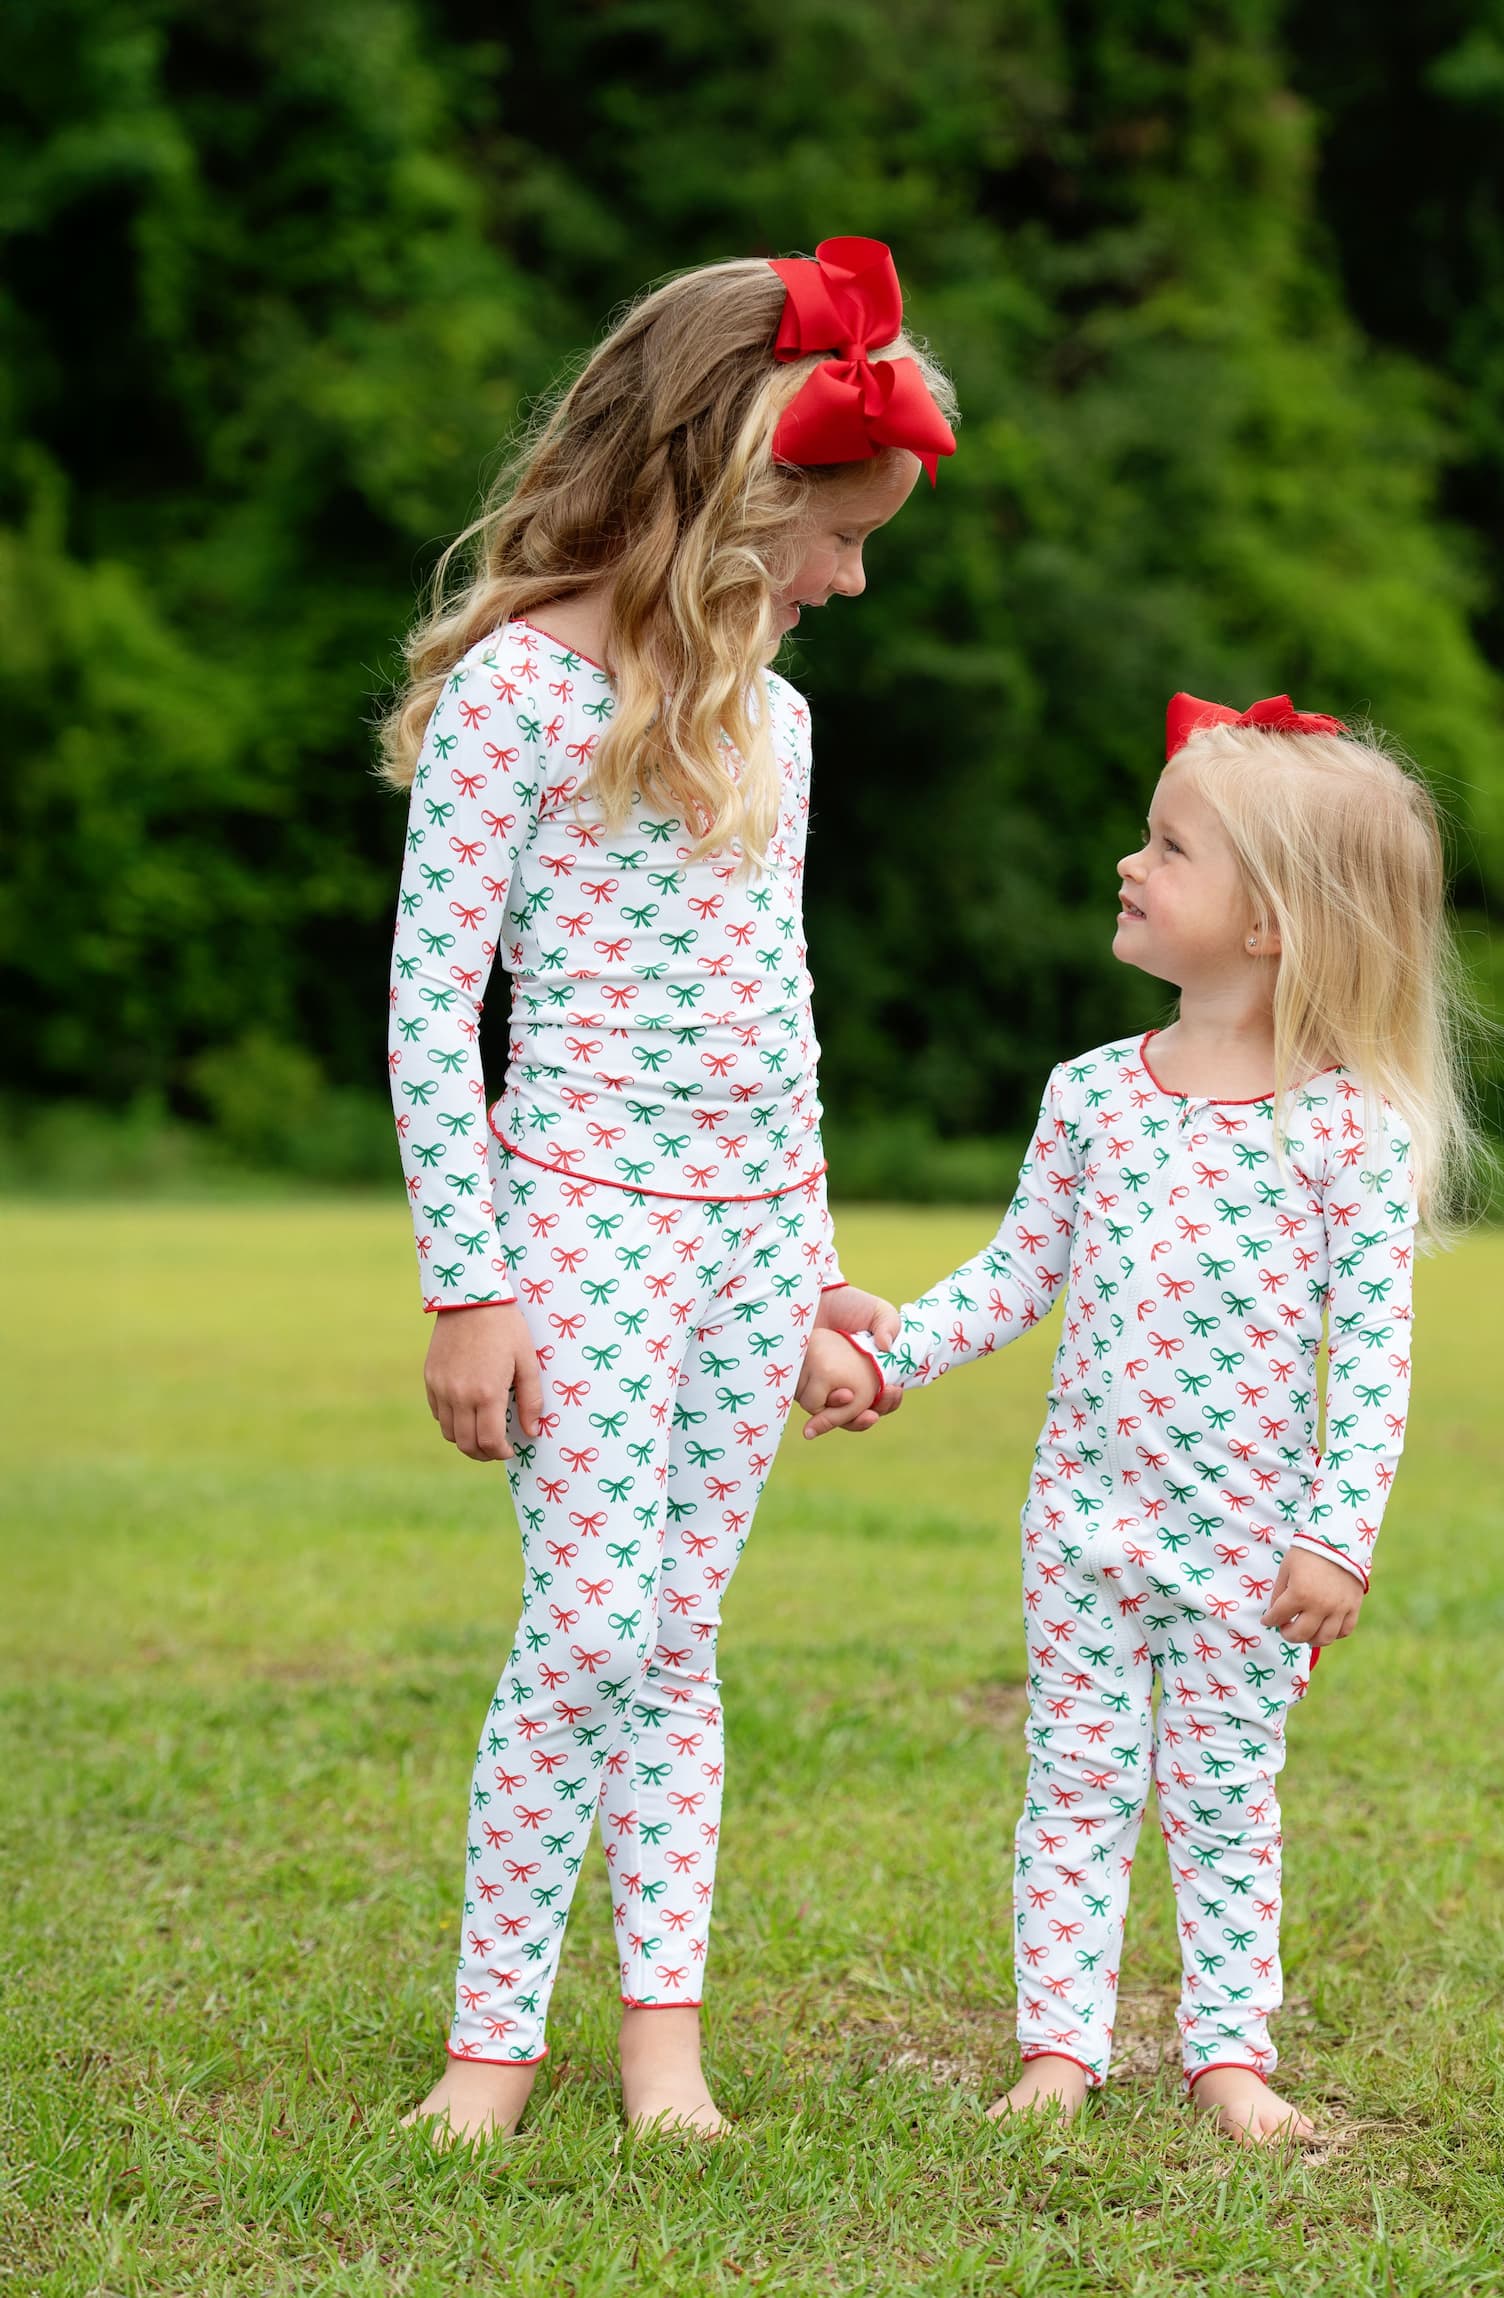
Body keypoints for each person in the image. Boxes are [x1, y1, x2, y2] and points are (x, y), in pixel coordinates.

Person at [380, 238, 951, 2142]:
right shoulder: (519, 698)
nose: (852, 577)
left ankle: (663, 2046)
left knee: (682, 1638)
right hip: (578, 1228)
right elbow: (427, 1010)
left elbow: (777, 1023)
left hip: (749, 1241)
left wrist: (813, 1273)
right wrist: (473, 1285)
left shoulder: (776, 724)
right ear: (737, 490)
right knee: (586, 1629)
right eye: (840, 533)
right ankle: (491, 2045)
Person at [801, 689, 1485, 2143]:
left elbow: (1370, 1362)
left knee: (1226, 1799)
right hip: (1081, 1526)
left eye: (1171, 847)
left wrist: (1338, 1538)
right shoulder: (1094, 1096)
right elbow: (1017, 1274)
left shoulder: (1346, 1134)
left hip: (1248, 1547)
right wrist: (893, 1351)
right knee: (1078, 1778)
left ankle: (1228, 2051)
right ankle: (1061, 2041)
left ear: (1272, 924)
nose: (1132, 862)